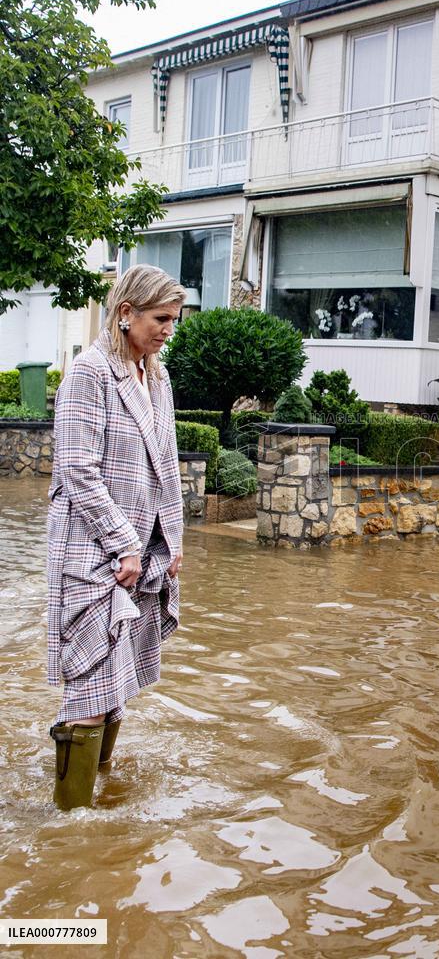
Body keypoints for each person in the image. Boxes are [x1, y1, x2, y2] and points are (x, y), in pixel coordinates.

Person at [47, 265, 187, 810]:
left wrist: (171, 544)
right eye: (160, 319)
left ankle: (95, 798)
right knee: (89, 678)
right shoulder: (89, 371)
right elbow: (78, 470)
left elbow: (168, 465)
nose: (168, 330)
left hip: (143, 553)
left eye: (174, 321)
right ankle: (69, 825)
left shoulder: (157, 374)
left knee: (116, 683)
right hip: (92, 548)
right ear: (125, 313)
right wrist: (123, 543)